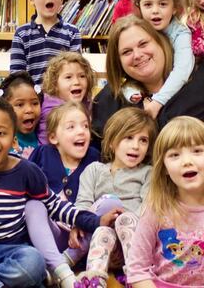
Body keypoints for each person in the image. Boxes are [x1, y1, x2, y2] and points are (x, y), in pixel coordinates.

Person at [0, 96, 121, 288]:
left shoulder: (26, 171)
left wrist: (96, 221)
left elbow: (55, 206)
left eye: (1, 133)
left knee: (34, 262)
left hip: (14, 251)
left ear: (13, 142)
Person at [92, 15, 204, 146]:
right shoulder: (112, 98)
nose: (137, 55)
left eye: (143, 44)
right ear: (117, 61)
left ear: (162, 43)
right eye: (126, 52)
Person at [126, 116, 204, 287]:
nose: (187, 161)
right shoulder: (155, 208)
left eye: (197, 151)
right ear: (164, 168)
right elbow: (137, 270)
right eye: (174, 155)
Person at [26, 102, 108, 288]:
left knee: (109, 202)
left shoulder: (94, 158)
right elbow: (27, 187)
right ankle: (58, 267)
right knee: (33, 206)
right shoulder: (43, 154)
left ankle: (70, 262)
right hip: (50, 234)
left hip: (81, 237)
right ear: (54, 137)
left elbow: (100, 195)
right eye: (71, 127)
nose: (81, 131)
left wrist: (81, 222)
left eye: (85, 126)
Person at [74, 107, 157, 287]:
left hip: (135, 247)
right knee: (102, 230)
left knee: (126, 219)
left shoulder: (148, 173)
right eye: (129, 137)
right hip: (104, 248)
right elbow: (83, 205)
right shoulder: (94, 170)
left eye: (143, 140)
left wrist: (122, 216)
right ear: (112, 142)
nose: (136, 145)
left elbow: (147, 210)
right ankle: (94, 280)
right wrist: (77, 224)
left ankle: (136, 277)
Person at [132, 0, 193, 119]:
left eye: (163, 4)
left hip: (175, 94)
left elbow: (182, 71)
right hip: (146, 92)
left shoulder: (181, 33)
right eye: (148, 5)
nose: (155, 10)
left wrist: (157, 101)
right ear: (139, 7)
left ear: (174, 8)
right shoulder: (137, 29)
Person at [10, 0, 82, 85]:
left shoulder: (72, 32)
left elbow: (75, 72)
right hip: (32, 98)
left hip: (62, 98)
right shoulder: (22, 34)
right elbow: (16, 76)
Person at [36, 51, 95, 145]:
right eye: (68, 77)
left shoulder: (86, 103)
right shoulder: (51, 109)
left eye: (82, 76)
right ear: (55, 83)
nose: (76, 82)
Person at [0, 71, 42, 158]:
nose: (29, 110)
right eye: (20, 104)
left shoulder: (43, 138)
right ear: (4, 108)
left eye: (35, 103)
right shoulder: (1, 143)